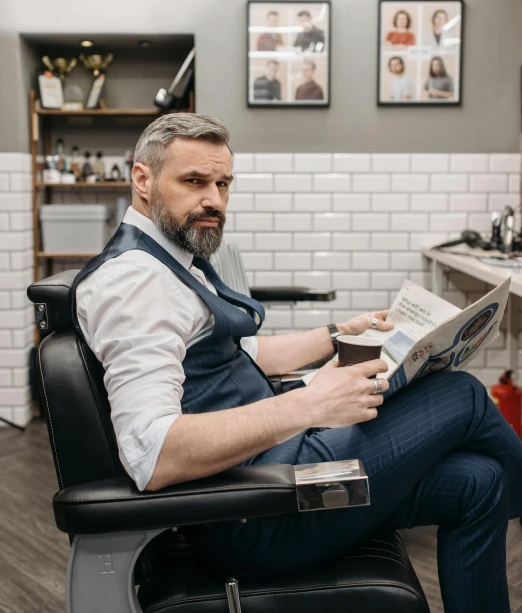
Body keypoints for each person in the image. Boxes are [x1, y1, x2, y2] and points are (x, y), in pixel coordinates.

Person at [75, 114, 522, 613]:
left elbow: (240, 357)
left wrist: (337, 335)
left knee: (481, 482)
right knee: (459, 393)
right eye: (195, 182)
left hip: (277, 472)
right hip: (259, 512)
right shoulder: (135, 284)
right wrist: (309, 406)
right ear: (142, 179)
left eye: (223, 184)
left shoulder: (166, 260)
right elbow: (153, 455)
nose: (215, 201)